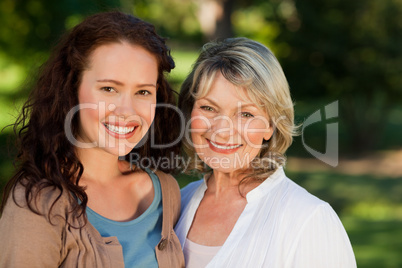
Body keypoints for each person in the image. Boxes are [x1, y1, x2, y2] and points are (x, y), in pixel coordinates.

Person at [0, 11, 184, 268]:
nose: (127, 111)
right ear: (71, 90)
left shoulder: (167, 192)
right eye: (109, 89)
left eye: (143, 91)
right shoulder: (38, 204)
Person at [175, 37, 356, 267]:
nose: (222, 130)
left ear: (271, 125)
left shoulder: (309, 220)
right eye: (208, 108)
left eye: (246, 114)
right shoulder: (177, 203)